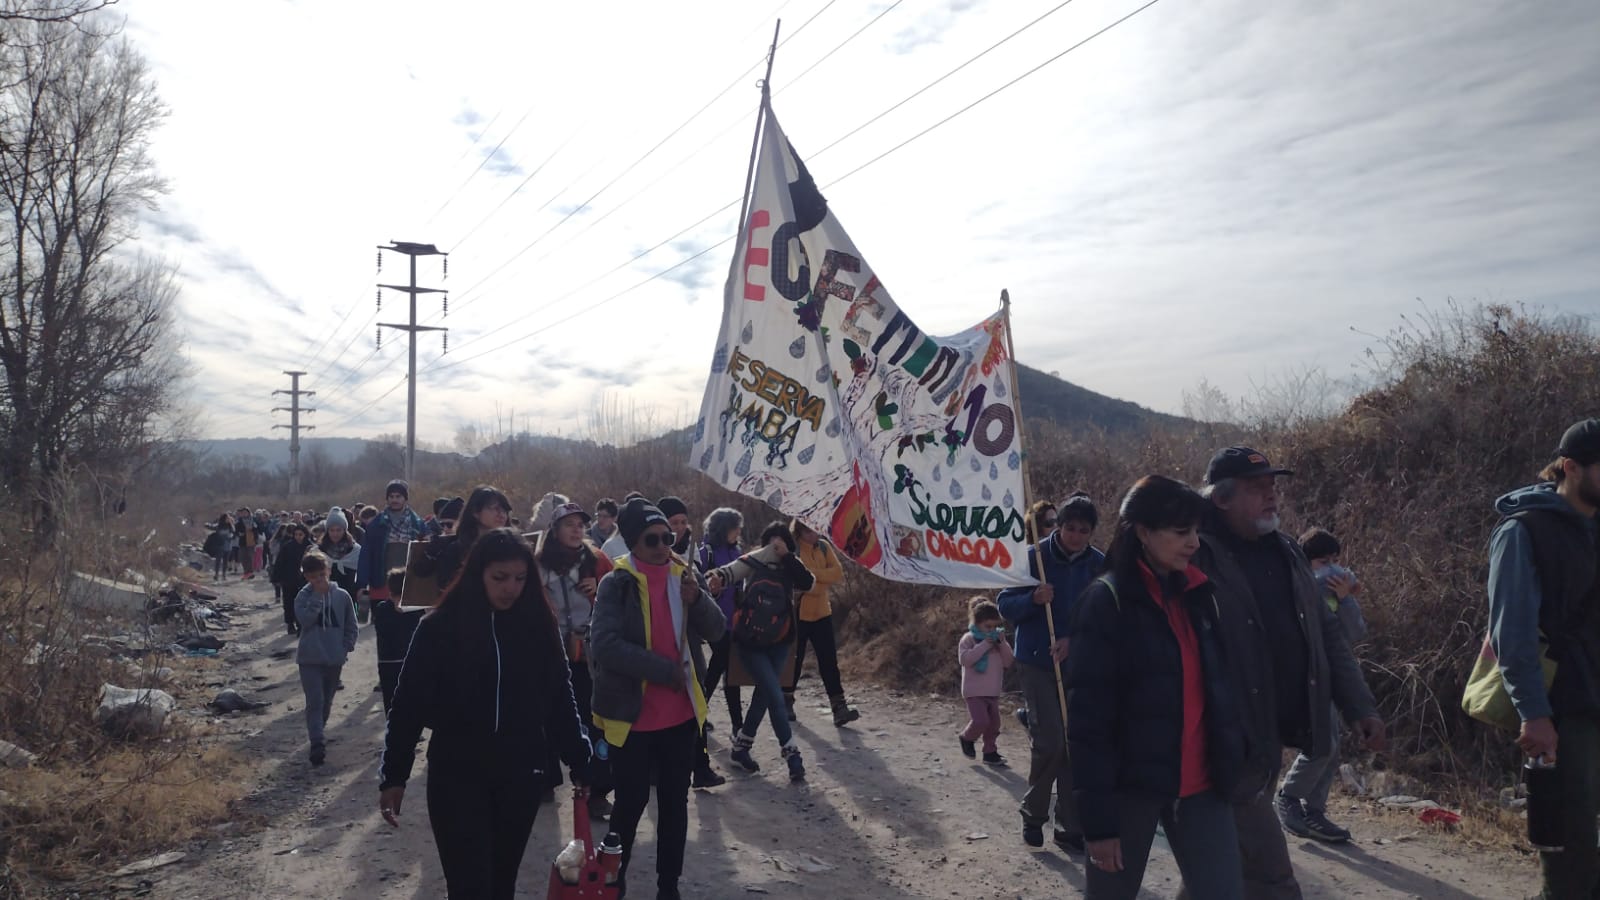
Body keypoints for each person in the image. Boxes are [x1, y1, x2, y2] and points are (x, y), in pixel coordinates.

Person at [1195, 446, 1385, 900]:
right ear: (1220, 498)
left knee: (1222, 870)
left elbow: (1328, 633)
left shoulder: (1287, 553)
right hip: (1223, 737)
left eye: (1273, 487)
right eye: (1257, 488)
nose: (1271, 496)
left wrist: (1359, 705)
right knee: (1271, 876)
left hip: (1271, 734)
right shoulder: (1195, 555)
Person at [378, 529, 591, 900]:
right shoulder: (438, 629)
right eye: (500, 578)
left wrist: (580, 759)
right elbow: (407, 705)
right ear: (478, 574)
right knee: (470, 887)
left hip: (520, 776)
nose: (511, 588)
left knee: (500, 884)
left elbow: (560, 698)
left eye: (521, 579)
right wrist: (394, 774)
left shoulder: (540, 628)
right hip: (456, 777)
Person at [1069, 475, 1245, 898]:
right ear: (1143, 533)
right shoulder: (1106, 602)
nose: (1194, 543)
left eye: (1197, 531)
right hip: (1130, 789)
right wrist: (1098, 824)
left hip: (1202, 784)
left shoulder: (1200, 595)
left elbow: (1218, 691)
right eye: (1182, 532)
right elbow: (1088, 724)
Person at [589, 499, 726, 900]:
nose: (664, 545)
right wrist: (662, 670)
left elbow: (717, 632)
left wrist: (697, 599)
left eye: (669, 537)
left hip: (680, 717)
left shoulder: (684, 573)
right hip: (632, 719)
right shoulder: (616, 583)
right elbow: (605, 645)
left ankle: (669, 888)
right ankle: (613, 886)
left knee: (674, 807)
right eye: (653, 539)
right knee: (628, 809)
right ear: (633, 542)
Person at [1488, 419, 1600, 898]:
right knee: (1570, 853)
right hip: (1564, 708)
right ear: (1571, 467)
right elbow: (1511, 633)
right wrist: (1534, 714)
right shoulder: (1522, 531)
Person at [996, 491, 1103, 852]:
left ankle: (1070, 826)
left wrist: (1074, 639)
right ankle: (1033, 813)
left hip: (1080, 665)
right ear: (1058, 526)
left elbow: (1106, 618)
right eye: (1068, 528)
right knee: (1051, 742)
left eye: (1082, 530)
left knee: (1074, 745)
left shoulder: (1098, 565)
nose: (1074, 536)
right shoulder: (1032, 558)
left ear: (1091, 533)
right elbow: (1004, 604)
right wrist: (1033, 599)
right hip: (1037, 662)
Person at [1275, 527, 1368, 842]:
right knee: (1322, 744)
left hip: (1333, 676)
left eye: (1334, 560)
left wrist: (1345, 600)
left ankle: (1314, 810)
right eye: (1321, 561)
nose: (1331, 567)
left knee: (1332, 745)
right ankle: (1288, 797)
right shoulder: (1297, 589)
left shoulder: (1335, 594)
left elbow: (1355, 632)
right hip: (1307, 677)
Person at [705, 522, 814, 781]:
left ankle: (741, 748)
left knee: (765, 695)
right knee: (774, 694)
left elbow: (807, 583)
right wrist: (716, 580)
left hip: (781, 641)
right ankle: (792, 755)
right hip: (750, 641)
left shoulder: (791, 565)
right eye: (771, 542)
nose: (774, 548)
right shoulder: (754, 562)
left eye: (780, 542)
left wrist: (787, 556)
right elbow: (728, 573)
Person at [535, 496, 617, 820]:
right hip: (550, 652)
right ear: (555, 530)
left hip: (589, 653)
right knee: (547, 718)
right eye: (569, 524)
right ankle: (545, 779)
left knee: (595, 722)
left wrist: (598, 590)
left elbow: (617, 605)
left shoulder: (598, 561)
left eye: (580, 525)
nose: (576, 529)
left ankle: (596, 788)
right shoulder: (537, 565)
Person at [657, 496, 728, 789]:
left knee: (695, 712)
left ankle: (700, 768)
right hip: (661, 654)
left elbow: (714, 621)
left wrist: (699, 596)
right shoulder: (644, 564)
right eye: (673, 523)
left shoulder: (689, 558)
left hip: (690, 646)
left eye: (684, 522)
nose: (680, 528)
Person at [784, 519, 862, 727]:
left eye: (816, 528)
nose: (815, 534)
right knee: (795, 660)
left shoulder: (824, 547)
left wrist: (812, 577)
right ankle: (786, 701)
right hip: (798, 613)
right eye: (810, 530)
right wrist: (817, 582)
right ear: (800, 532)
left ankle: (839, 707)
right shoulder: (794, 550)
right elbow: (803, 584)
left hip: (821, 613)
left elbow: (836, 574)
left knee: (829, 662)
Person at [294, 553, 357, 767]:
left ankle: (318, 729)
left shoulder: (342, 596)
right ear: (306, 578)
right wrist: (317, 598)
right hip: (309, 658)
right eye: (313, 577)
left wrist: (346, 647)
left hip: (334, 659)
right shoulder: (303, 597)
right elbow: (305, 620)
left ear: (328, 571)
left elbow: (351, 623)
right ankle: (317, 743)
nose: (319, 580)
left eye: (322, 575)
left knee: (327, 701)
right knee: (315, 701)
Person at [697, 507, 747, 740]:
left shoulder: (736, 551)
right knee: (728, 668)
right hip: (714, 621)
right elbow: (700, 587)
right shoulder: (706, 553)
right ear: (723, 528)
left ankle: (698, 713)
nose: (738, 531)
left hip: (734, 621)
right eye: (735, 526)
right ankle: (737, 725)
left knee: (722, 667)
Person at [958, 596, 1014, 767]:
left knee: (994, 724)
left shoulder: (998, 642)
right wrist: (984, 645)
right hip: (974, 691)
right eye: (987, 627)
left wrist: (1002, 643)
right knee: (981, 720)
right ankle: (967, 737)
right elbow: (966, 660)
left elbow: (1008, 661)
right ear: (977, 624)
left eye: (995, 626)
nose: (991, 630)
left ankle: (990, 752)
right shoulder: (968, 639)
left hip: (992, 690)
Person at [412, 489, 498, 593]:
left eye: (449, 525)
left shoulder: (470, 543)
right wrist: (430, 554)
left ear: (460, 524)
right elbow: (420, 572)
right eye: (442, 525)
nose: (445, 529)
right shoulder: (442, 544)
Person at [358, 479, 428, 605]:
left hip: (409, 582)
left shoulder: (418, 524)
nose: (394, 500)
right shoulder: (376, 525)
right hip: (381, 581)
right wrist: (362, 584)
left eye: (398, 496)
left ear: (405, 498)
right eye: (391, 496)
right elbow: (366, 555)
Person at [372, 566, 423, 717]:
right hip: (389, 662)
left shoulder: (417, 609)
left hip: (412, 661)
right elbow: (383, 631)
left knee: (413, 698)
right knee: (392, 699)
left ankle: (412, 729)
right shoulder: (383, 609)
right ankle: (393, 729)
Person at [271, 523, 312, 636]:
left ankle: (301, 626)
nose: (298, 536)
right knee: (289, 603)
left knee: (303, 603)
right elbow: (280, 563)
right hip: (288, 579)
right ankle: (290, 624)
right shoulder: (287, 546)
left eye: (300, 534)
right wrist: (276, 578)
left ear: (305, 535)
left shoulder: (310, 547)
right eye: (296, 534)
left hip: (305, 580)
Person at [318, 507, 362, 601]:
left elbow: (361, 574)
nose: (335, 534)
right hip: (324, 598)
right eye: (332, 530)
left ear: (344, 530)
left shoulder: (355, 550)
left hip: (349, 597)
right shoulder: (319, 551)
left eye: (338, 530)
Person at [234, 507, 258, 580]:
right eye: (243, 512)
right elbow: (235, 531)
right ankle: (246, 572)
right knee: (243, 557)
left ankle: (250, 572)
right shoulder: (239, 522)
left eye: (246, 512)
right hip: (243, 541)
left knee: (250, 557)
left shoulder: (253, 521)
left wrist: (255, 535)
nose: (244, 514)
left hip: (251, 541)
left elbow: (257, 530)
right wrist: (239, 534)